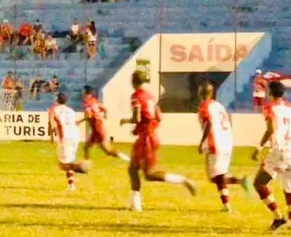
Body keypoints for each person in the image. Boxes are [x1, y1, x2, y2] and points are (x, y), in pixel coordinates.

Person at [120, 71, 197, 211]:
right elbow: (159, 117)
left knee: (149, 174)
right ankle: (135, 205)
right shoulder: (150, 96)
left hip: (146, 139)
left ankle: (183, 180)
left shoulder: (136, 96)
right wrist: (143, 129)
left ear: (133, 82)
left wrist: (126, 121)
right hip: (149, 136)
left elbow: (136, 118)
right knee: (132, 169)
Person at [253, 81, 291, 231]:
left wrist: (259, 147)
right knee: (290, 187)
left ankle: (278, 217)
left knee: (259, 183)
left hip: (281, 150)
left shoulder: (270, 107)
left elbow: (271, 129)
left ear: (270, 93)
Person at [197, 81, 251, 212]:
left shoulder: (204, 106)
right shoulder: (218, 105)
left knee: (214, 177)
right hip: (227, 141)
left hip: (215, 143)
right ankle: (226, 205)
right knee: (220, 175)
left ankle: (241, 181)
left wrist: (202, 141)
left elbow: (209, 122)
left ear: (201, 93)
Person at [48, 92, 91, 192]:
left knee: (63, 165)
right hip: (75, 135)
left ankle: (81, 167)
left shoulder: (53, 109)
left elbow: (51, 124)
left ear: (57, 99)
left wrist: (51, 137)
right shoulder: (70, 110)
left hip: (65, 138)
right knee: (69, 161)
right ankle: (72, 186)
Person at [79, 86, 130, 161]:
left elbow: (89, 116)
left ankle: (128, 159)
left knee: (108, 151)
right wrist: (104, 115)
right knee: (86, 147)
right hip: (97, 127)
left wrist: (80, 121)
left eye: (83, 92)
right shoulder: (95, 101)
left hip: (97, 128)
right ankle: (86, 165)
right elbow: (105, 109)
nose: (82, 94)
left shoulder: (87, 103)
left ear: (86, 93)